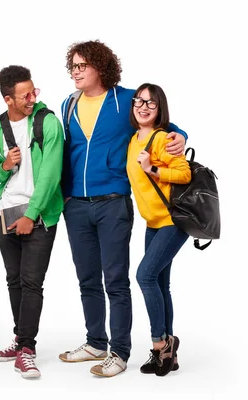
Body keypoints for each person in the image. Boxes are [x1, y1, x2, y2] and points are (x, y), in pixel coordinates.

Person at [58, 40, 188, 377]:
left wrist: (181, 135)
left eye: (82, 65)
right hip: (76, 206)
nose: (76, 71)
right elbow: (68, 153)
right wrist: (66, 197)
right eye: (72, 66)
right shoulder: (68, 105)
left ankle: (119, 352)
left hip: (113, 204)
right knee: (87, 279)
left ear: (100, 67)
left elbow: (158, 120)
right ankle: (95, 343)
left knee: (116, 281)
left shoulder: (124, 101)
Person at [0, 65, 64, 379]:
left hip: (40, 213)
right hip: (7, 210)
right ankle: (19, 340)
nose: (32, 98)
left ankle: (27, 349)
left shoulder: (47, 122)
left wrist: (32, 214)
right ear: (8, 99)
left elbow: (51, 174)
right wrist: (4, 165)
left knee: (32, 282)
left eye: (34, 91)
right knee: (13, 279)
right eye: (24, 95)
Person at [126, 83, 190, 376]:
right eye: (139, 101)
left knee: (145, 276)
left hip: (172, 222)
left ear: (160, 109)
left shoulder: (162, 138)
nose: (143, 107)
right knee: (160, 284)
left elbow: (184, 172)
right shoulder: (133, 140)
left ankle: (158, 345)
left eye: (151, 104)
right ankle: (170, 355)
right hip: (152, 223)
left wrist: (154, 168)